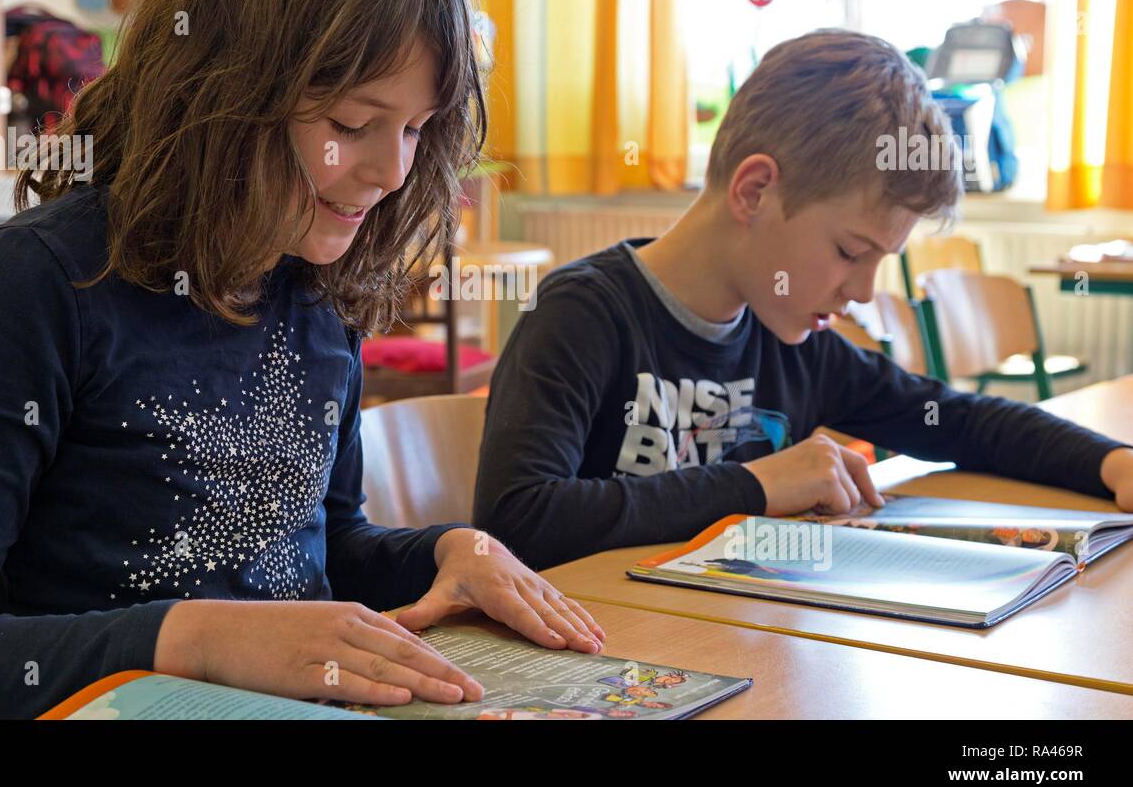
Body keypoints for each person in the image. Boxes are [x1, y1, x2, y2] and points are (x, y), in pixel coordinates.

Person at [0, 0, 603, 720]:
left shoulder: (317, 284)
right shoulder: (40, 285)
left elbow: (320, 548)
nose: (392, 172)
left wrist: (443, 553)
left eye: (418, 130)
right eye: (352, 124)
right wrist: (193, 639)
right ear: (219, 89)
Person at [473, 29, 1133, 570]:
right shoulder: (583, 316)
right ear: (754, 191)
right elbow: (518, 522)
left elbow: (956, 420)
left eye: (879, 261)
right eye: (850, 252)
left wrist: (1112, 462)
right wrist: (757, 486)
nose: (862, 292)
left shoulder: (795, 341)